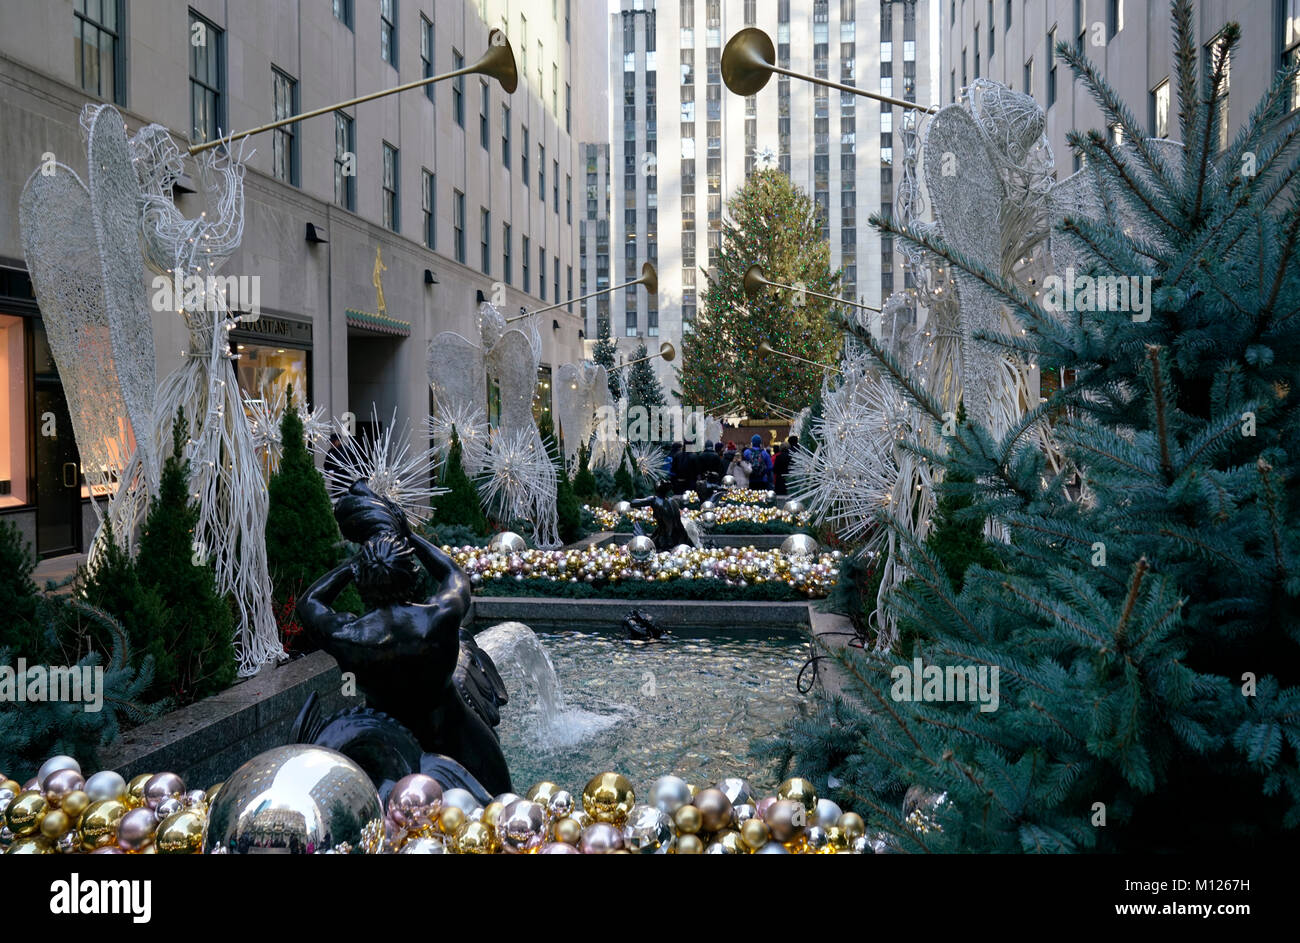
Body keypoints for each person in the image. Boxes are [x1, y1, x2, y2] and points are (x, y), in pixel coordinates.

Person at [297, 481, 513, 795]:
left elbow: (309, 603)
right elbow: (454, 575)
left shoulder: (349, 637)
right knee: (499, 816)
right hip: (462, 744)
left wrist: (356, 564)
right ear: (411, 573)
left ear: (361, 581)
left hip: (389, 756)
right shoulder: (439, 618)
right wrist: (408, 536)